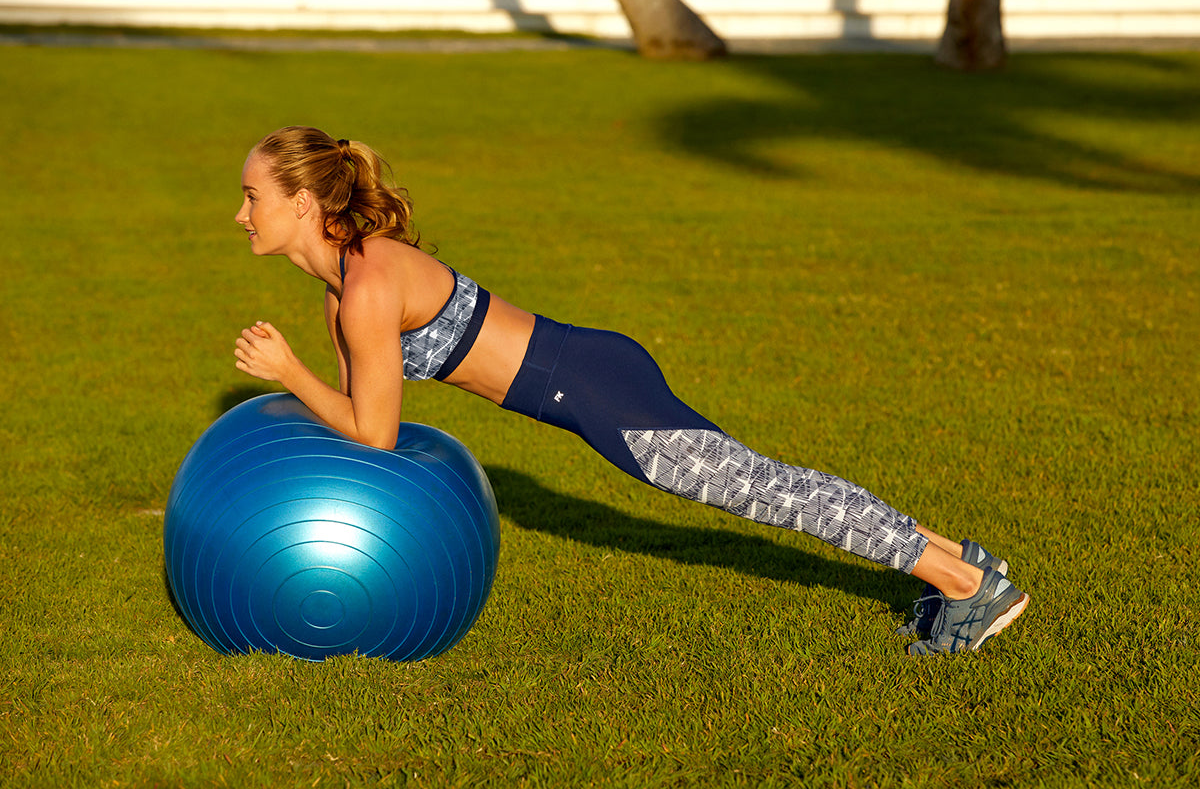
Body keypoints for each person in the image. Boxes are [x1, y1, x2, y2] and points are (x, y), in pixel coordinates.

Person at [232, 126, 1028, 656]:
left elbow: (373, 435)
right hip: (589, 377)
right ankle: (962, 566)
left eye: (253, 197)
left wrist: (288, 372)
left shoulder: (367, 287)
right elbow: (361, 421)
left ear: (302, 203)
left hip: (596, 391)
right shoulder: (344, 287)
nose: (241, 215)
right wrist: (307, 376)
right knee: (765, 484)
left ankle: (966, 586)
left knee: (765, 491)